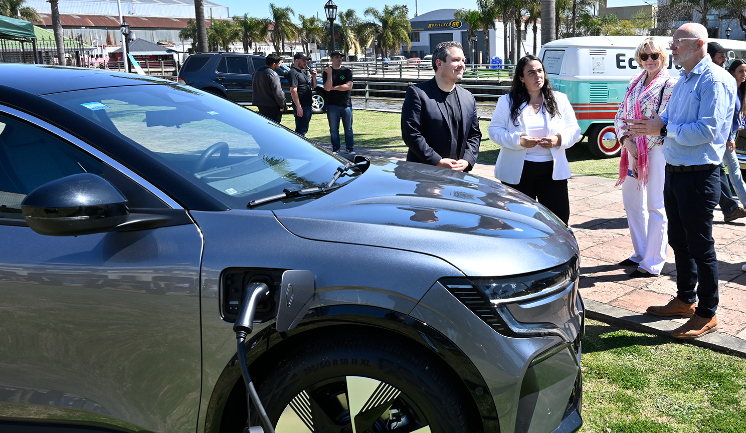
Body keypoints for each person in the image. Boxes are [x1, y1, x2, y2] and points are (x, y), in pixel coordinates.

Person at [625, 23, 737, 339]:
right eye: (672, 42)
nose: (672, 47)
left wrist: (661, 130)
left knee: (701, 246)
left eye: (678, 42)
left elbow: (708, 131)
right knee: (679, 240)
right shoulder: (685, 80)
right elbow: (671, 120)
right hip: (675, 173)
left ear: (699, 43)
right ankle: (686, 299)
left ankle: (707, 312)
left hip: (699, 175)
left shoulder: (714, 80)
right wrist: (655, 123)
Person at [488, 54, 581, 225]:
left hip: (552, 172)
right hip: (518, 172)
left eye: (540, 71)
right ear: (521, 78)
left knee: (558, 221)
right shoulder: (506, 101)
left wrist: (558, 139)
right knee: (518, 222)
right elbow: (494, 131)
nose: (538, 75)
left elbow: (574, 130)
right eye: (531, 72)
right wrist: (519, 140)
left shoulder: (560, 99)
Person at [614, 38, 677, 279]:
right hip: (631, 148)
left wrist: (639, 148)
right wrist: (625, 141)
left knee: (656, 205)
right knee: (631, 202)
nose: (649, 60)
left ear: (663, 57)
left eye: (654, 56)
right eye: (644, 56)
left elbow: (664, 121)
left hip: (656, 149)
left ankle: (653, 261)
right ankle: (640, 252)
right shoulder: (634, 81)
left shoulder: (670, 84)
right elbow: (620, 114)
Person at [401, 41, 481, 172]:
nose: (462, 65)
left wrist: (467, 160)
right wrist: (436, 161)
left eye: (463, 60)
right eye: (456, 60)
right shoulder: (417, 93)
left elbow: (474, 135)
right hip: (425, 174)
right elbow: (411, 133)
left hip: (459, 175)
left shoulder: (468, 97)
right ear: (439, 63)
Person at [707, 42, 746, 222]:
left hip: (725, 137)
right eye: (721, 56)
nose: (725, 59)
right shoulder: (717, 80)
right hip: (718, 137)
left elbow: (734, 114)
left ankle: (729, 208)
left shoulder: (734, 85)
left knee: (718, 171)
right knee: (731, 171)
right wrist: (729, 137)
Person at [323, 51, 355, 154]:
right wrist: (330, 75)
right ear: (331, 59)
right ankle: (336, 149)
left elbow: (349, 86)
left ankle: (349, 149)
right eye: (337, 57)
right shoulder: (327, 72)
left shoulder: (347, 71)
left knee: (348, 129)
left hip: (346, 105)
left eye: (341, 57)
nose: (339, 59)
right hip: (332, 105)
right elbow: (327, 88)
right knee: (333, 129)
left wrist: (334, 88)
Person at [725, 59, 746, 206]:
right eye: (740, 71)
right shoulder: (729, 89)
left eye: (745, 71)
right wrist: (728, 137)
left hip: (732, 135)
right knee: (734, 170)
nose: (744, 74)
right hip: (725, 137)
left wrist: (741, 124)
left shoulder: (741, 90)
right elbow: (725, 116)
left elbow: (740, 114)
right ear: (732, 72)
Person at [288, 52, 317, 136]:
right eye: (303, 60)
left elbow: (314, 86)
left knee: (304, 129)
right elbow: (293, 90)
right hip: (302, 105)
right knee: (301, 131)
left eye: (306, 61)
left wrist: (314, 77)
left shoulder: (303, 72)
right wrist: (298, 107)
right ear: (296, 61)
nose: (305, 63)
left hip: (307, 105)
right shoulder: (293, 72)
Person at [251, 54, 286, 123]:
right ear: (274, 64)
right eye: (279, 63)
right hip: (272, 106)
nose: (280, 65)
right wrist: (282, 105)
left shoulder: (257, 72)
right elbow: (278, 92)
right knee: (274, 127)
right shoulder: (272, 74)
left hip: (260, 104)